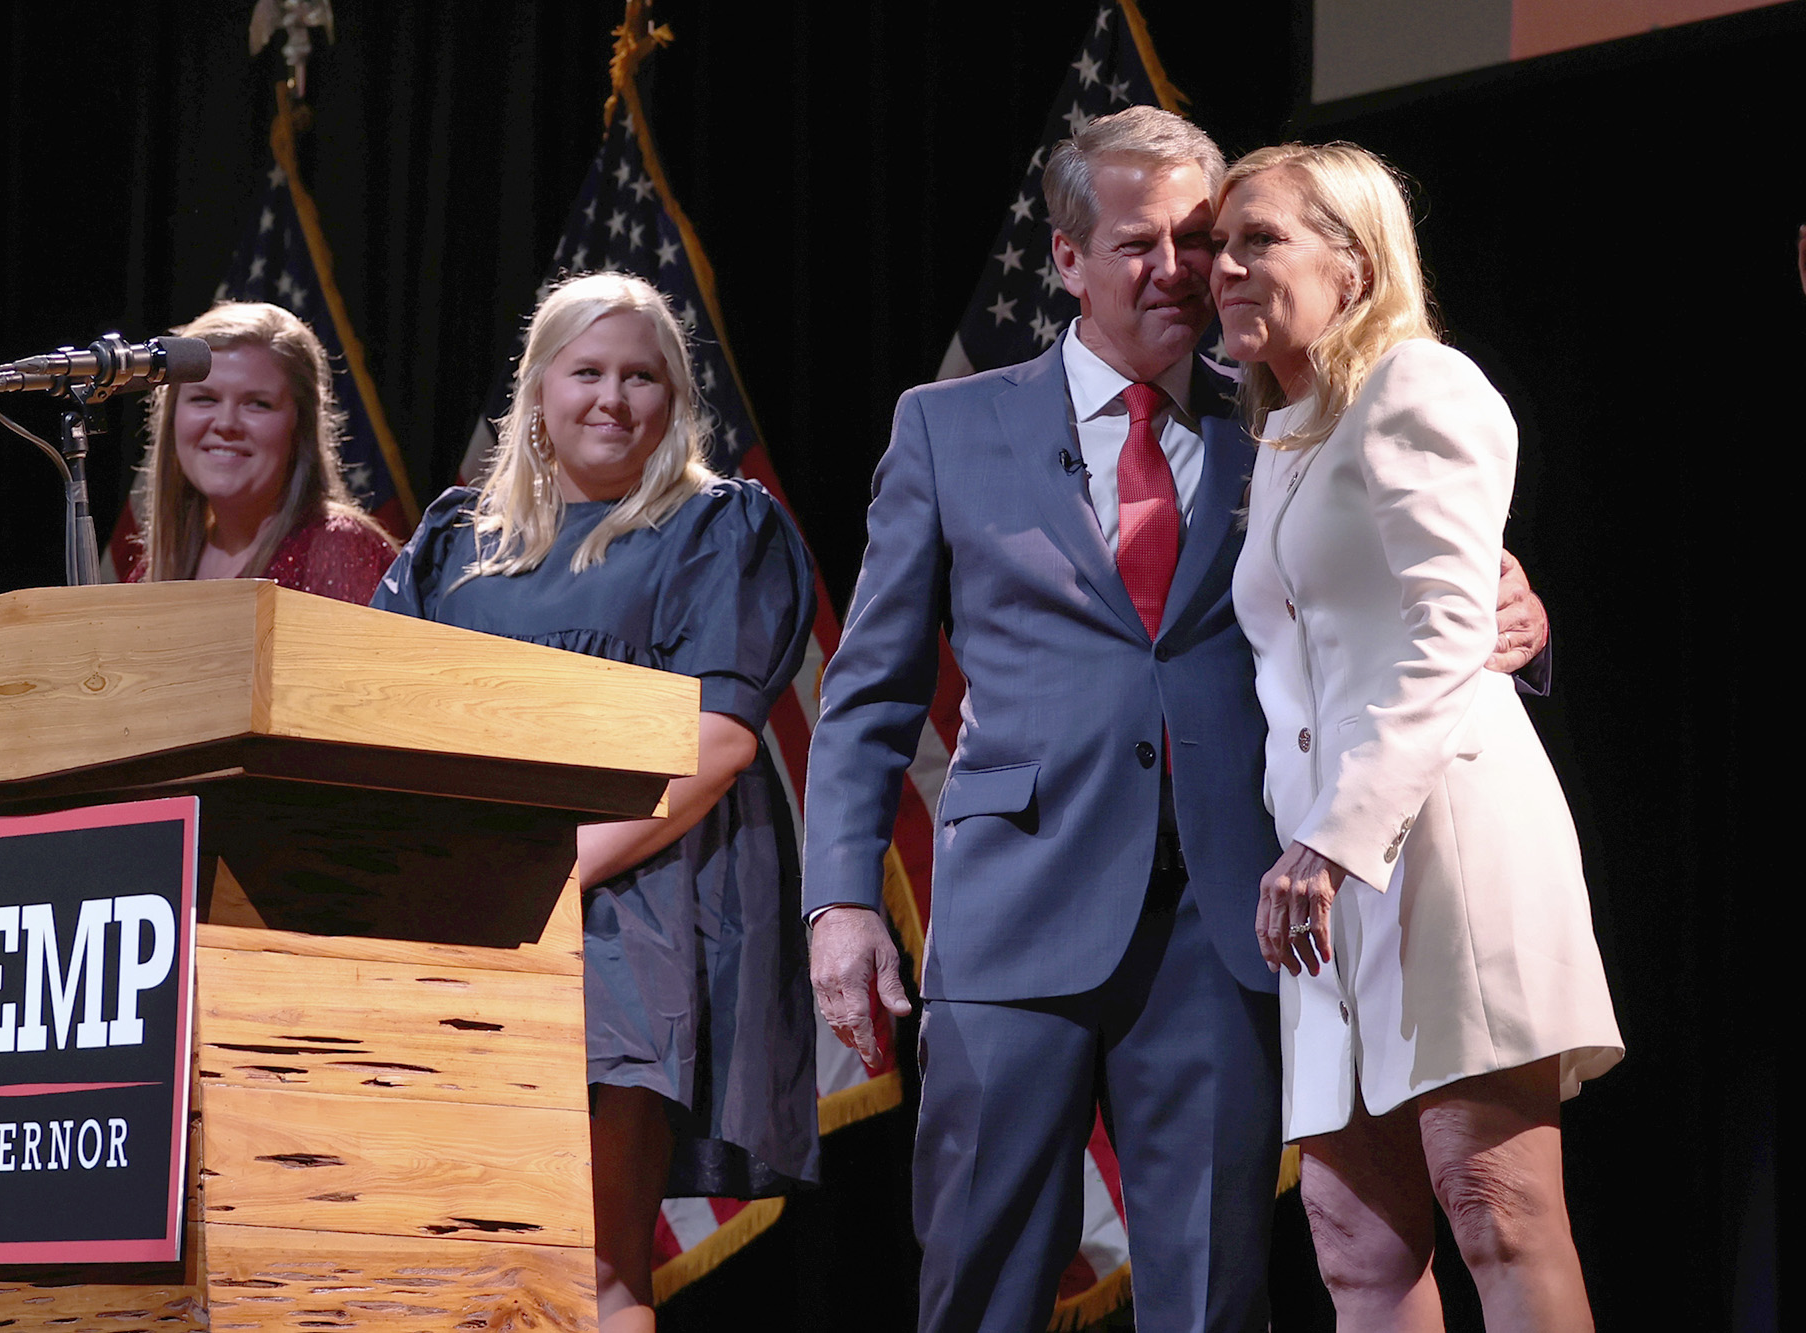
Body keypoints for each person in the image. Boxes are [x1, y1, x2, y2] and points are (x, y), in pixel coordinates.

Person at [803, 107, 1550, 1333]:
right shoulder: (945, 426)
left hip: (1224, 919)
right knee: (978, 1285)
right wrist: (839, 901)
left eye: (1198, 239)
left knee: (1210, 1294)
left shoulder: (1288, 415)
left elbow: (1408, 577)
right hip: (1010, 918)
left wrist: (1516, 608)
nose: (1176, 269)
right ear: (1064, 259)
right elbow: (873, 688)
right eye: (1136, 242)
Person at [1214, 142, 1623, 1331]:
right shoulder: (1289, 431)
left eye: (1259, 240)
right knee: (1352, 1248)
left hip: (1432, 840)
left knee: (1495, 1207)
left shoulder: (1416, 386)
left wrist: (1332, 843)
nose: (1223, 269)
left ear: (1351, 261)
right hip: (1324, 875)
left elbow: (1451, 631)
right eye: (1218, 245)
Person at [370, 272, 818, 1333]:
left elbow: (714, 741)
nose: (613, 398)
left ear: (674, 402)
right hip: (460, 915)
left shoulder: (715, 529)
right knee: (457, 1253)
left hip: (625, 915)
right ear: (537, 393)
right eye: (587, 372)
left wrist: (551, 868)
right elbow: (370, 714)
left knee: (595, 1259)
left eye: (641, 377)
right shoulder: (451, 544)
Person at [128, 301, 395, 602]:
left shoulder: (338, 547)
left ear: (300, 427)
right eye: (205, 399)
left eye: (258, 403)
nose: (226, 423)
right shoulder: (155, 571)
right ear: (173, 416)